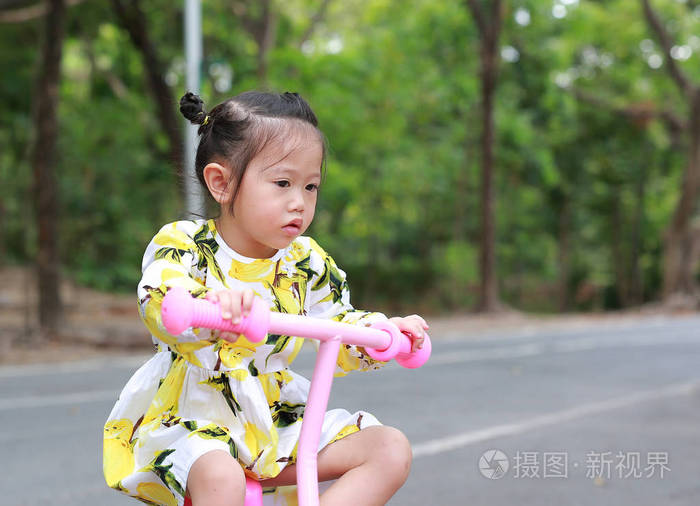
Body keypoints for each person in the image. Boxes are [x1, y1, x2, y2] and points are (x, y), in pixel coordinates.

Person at [103, 90, 428, 506]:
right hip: (196, 423)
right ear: (221, 183)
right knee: (221, 477)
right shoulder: (186, 245)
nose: (300, 202)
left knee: (390, 449)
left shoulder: (306, 261)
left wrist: (385, 333)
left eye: (310, 186)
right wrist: (212, 306)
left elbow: (339, 326)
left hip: (279, 422)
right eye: (282, 183)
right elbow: (161, 298)